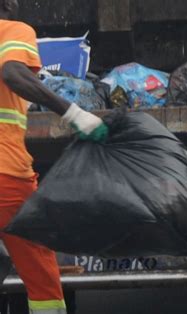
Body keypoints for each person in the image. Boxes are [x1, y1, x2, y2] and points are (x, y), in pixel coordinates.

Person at [0, 0, 108, 312]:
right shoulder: (13, 29)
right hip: (5, 176)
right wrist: (75, 114)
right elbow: (12, 73)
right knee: (39, 270)